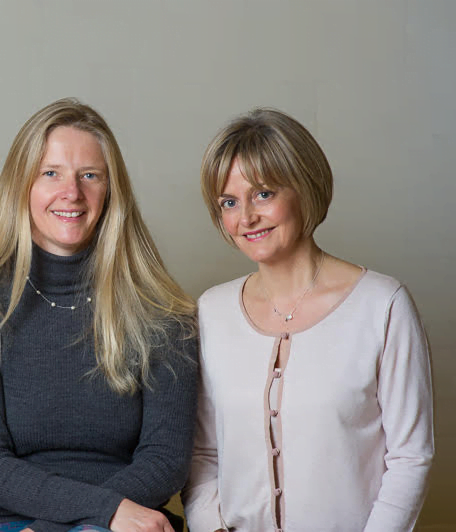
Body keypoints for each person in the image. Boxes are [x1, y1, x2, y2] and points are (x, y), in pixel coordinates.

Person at [0, 99, 198, 532]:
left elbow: (165, 459)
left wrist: (93, 520)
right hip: (2, 521)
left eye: (90, 175)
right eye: (51, 173)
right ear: (21, 186)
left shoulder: (163, 313)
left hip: (122, 519)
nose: (72, 192)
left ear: (112, 190)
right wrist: (94, 513)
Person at [183, 108, 434, 531]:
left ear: (305, 187)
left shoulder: (383, 305)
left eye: (263, 194)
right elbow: (202, 454)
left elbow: (411, 457)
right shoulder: (210, 312)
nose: (246, 218)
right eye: (229, 202)